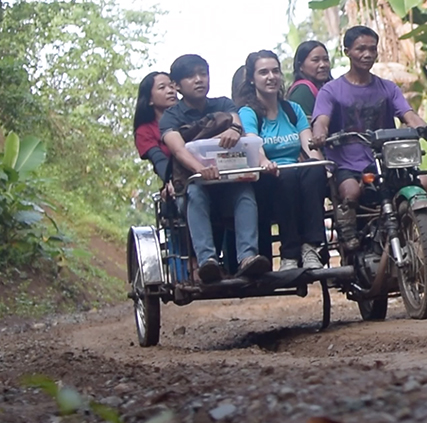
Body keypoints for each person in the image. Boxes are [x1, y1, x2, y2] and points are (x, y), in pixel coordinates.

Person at [309, 26, 427, 266]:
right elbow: (321, 121)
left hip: (387, 160)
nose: (367, 54)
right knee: (351, 192)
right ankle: (350, 238)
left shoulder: (388, 88)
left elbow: (410, 116)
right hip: (349, 164)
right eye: (360, 49)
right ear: (347, 52)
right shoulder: (331, 90)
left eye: (372, 49)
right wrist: (319, 135)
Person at [160, 54, 268, 283]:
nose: (199, 80)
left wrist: (234, 131)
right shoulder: (171, 117)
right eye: (191, 76)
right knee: (195, 193)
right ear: (177, 86)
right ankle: (207, 260)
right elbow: (179, 150)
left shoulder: (222, 103)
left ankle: (247, 257)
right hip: (191, 186)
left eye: (203, 73)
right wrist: (200, 170)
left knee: (245, 192)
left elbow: (236, 121)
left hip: (227, 182)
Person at [237, 49, 326, 271]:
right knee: (285, 176)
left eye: (275, 71)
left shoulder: (292, 109)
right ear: (252, 78)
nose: (271, 77)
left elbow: (308, 144)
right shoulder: (249, 112)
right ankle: (289, 254)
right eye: (263, 72)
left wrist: (321, 165)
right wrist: (265, 161)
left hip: (297, 173)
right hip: (268, 177)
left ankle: (311, 246)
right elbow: (252, 142)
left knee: (314, 170)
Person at [132, 71, 179, 192]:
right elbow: (159, 160)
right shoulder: (145, 131)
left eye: (172, 86)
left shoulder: (189, 119)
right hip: (176, 183)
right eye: (162, 87)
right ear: (149, 100)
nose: (170, 91)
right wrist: (171, 180)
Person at [287, 40, 332, 116]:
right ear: (300, 66)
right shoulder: (302, 91)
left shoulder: (325, 87)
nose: (323, 65)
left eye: (326, 59)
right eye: (315, 60)